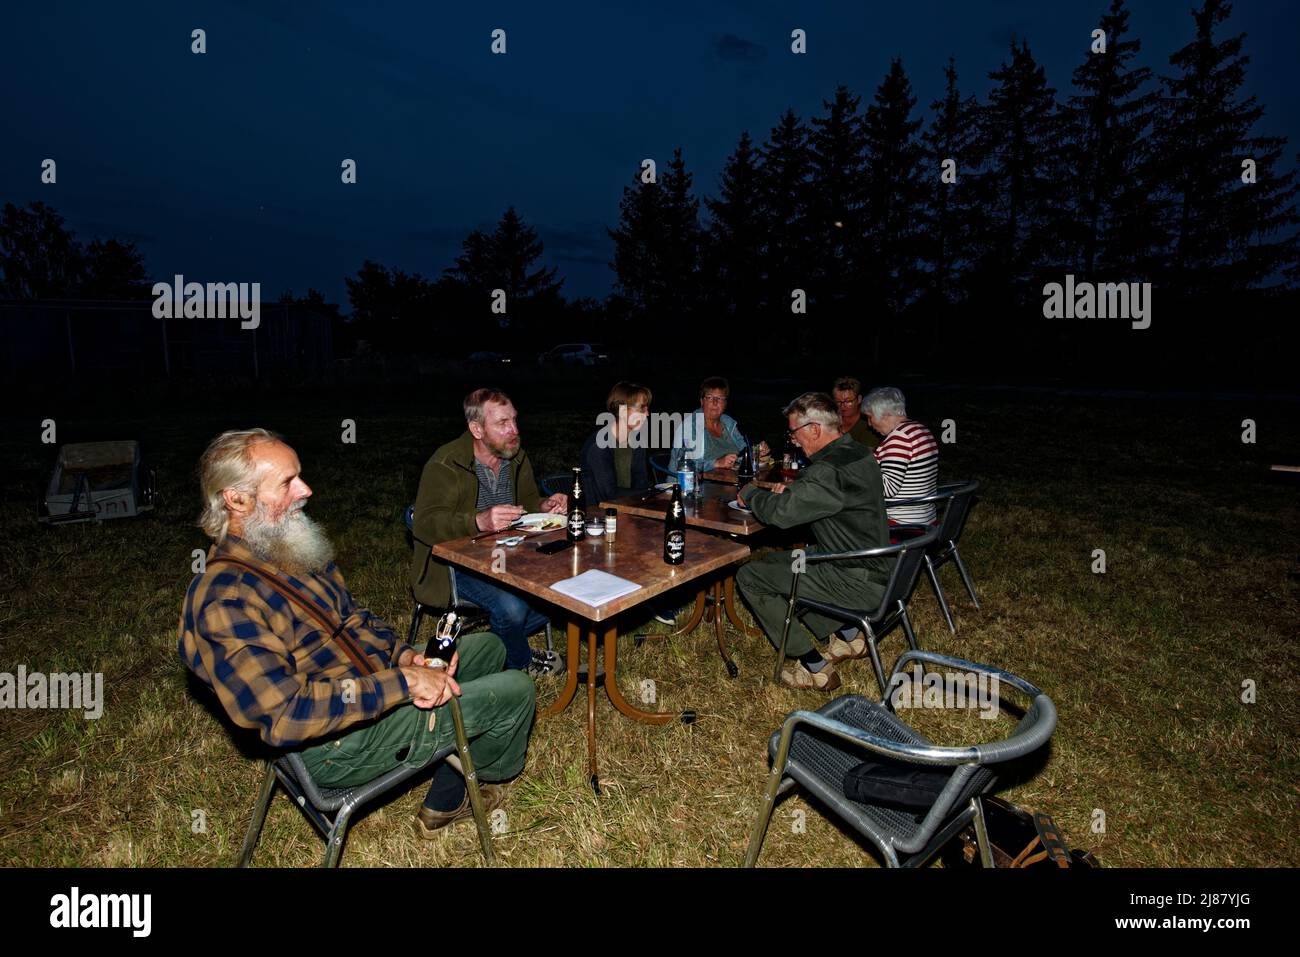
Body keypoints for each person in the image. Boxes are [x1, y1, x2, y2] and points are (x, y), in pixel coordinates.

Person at [178, 428, 536, 839]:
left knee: (488, 647)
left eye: (300, 476)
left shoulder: (283, 547)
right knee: (516, 690)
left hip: (362, 683)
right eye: (287, 482)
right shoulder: (224, 600)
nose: (306, 490)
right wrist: (404, 683)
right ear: (236, 498)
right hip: (334, 746)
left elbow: (351, 620)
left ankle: (446, 785)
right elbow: (285, 714)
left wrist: (404, 658)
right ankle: (473, 777)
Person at [735, 393, 891, 691]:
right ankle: (848, 635)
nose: (793, 441)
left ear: (815, 429)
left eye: (794, 433)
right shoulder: (859, 453)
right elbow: (825, 489)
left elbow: (781, 515)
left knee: (750, 576)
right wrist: (799, 488)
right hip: (874, 563)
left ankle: (814, 667)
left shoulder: (827, 472)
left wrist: (751, 493)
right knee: (778, 563)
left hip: (855, 579)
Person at [410, 389, 568, 675]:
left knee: (565, 589)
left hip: (510, 552)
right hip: (457, 562)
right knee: (512, 608)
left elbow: (527, 501)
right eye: (503, 423)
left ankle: (496, 645)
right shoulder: (447, 464)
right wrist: (478, 521)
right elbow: (424, 523)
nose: (514, 430)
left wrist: (544, 505)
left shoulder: (515, 457)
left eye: (515, 420)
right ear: (477, 429)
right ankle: (519, 663)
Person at [863, 386, 939, 526]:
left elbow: (887, 489)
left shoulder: (899, 438)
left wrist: (859, 469)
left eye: (869, 417)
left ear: (884, 414)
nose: (869, 424)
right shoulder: (921, 429)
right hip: (925, 518)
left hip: (900, 523)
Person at [668, 376, 768, 473]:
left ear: (725, 403)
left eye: (720, 398)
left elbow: (743, 451)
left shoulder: (728, 423)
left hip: (728, 482)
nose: (715, 402)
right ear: (702, 401)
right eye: (709, 397)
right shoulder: (690, 426)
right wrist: (716, 463)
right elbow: (684, 463)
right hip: (692, 486)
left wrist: (755, 453)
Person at [581, 381, 655, 507]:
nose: (647, 414)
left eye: (647, 408)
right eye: (642, 408)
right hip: (598, 517)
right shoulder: (599, 446)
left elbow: (641, 483)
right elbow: (609, 495)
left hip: (629, 510)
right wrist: (650, 492)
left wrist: (652, 492)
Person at [832, 376, 878, 449]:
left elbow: (867, 456)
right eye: (838, 401)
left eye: (848, 401)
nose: (842, 406)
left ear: (859, 399)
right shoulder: (830, 420)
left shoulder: (868, 424)